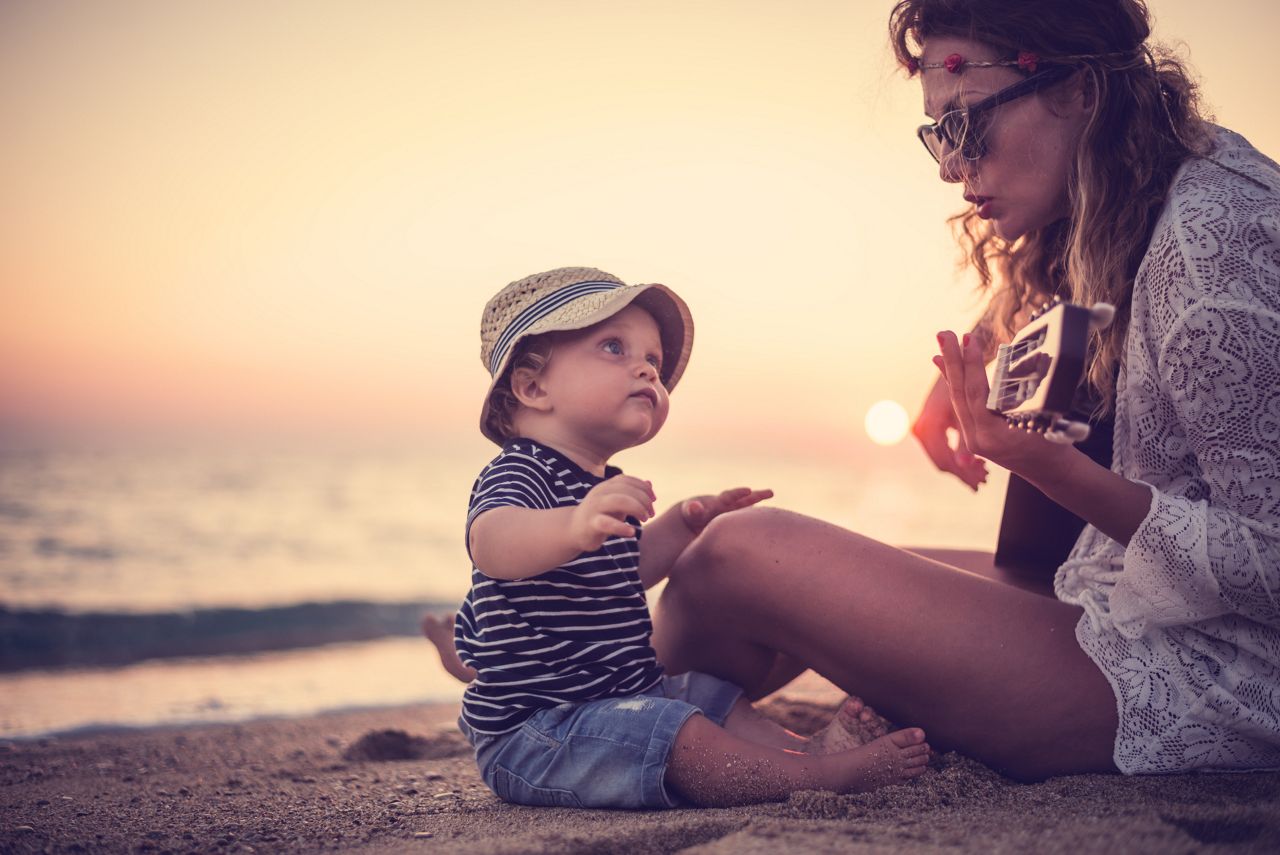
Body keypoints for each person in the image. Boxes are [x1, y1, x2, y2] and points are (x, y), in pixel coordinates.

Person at [649, 0, 1280, 781]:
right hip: (1116, 590)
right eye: (936, 134)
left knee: (740, 552)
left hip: (1211, 671)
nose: (951, 166)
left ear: (1080, 90)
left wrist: (1053, 469)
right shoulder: (1133, 179)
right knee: (725, 581)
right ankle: (558, 680)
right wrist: (978, 348)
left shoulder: (1215, 251)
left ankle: (571, 707)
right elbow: (1071, 284)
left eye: (966, 126)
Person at [445, 266, 930, 809]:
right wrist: (573, 524)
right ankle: (820, 778)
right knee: (674, 735)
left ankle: (804, 754)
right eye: (613, 347)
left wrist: (682, 524)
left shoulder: (600, 486)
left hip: (621, 696)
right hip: (539, 733)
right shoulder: (520, 472)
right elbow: (492, 545)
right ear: (533, 387)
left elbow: (627, 572)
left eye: (653, 360)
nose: (647, 371)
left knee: (709, 696)